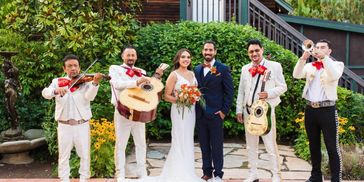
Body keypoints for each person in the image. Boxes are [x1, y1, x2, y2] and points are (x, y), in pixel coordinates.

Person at [136, 48, 204, 182]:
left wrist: (195, 96)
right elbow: (166, 96)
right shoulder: (174, 74)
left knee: (188, 138)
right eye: (183, 57)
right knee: (179, 138)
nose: (186, 59)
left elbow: (195, 91)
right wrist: (181, 100)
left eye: (188, 57)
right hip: (179, 111)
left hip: (191, 112)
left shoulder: (192, 73)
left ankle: (188, 171)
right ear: (178, 59)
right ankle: (178, 173)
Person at [42, 54, 102, 182]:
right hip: (64, 126)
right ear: (64, 69)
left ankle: (84, 179)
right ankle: (64, 179)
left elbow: (90, 97)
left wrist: (95, 83)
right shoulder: (57, 81)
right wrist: (56, 91)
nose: (73, 68)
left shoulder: (86, 82)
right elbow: (45, 93)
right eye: (70, 66)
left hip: (82, 125)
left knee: (85, 155)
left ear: (79, 68)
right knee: (64, 156)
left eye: (75, 66)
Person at [109, 46, 164, 182]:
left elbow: (146, 91)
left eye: (133, 55)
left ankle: (142, 173)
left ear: (136, 57)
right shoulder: (115, 68)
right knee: (121, 144)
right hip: (123, 112)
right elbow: (116, 84)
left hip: (139, 112)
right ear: (123, 56)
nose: (130, 58)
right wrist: (136, 82)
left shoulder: (141, 72)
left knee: (141, 144)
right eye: (128, 55)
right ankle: (120, 175)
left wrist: (156, 80)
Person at [236, 39, 287, 182]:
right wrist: (239, 110)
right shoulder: (245, 68)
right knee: (251, 145)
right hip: (248, 112)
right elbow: (241, 91)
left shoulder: (274, 66)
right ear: (248, 53)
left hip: (266, 112)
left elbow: (283, 86)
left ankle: (276, 175)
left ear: (262, 50)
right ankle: (253, 174)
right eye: (251, 51)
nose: (254, 53)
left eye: (256, 50)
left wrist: (269, 93)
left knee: (270, 145)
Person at [293, 39, 343, 182]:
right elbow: (296, 75)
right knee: (313, 146)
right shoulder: (309, 66)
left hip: (327, 110)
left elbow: (333, 75)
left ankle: (336, 179)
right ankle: (315, 177)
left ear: (329, 51)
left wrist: (323, 58)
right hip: (310, 110)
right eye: (317, 47)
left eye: (323, 47)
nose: (319, 49)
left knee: (332, 147)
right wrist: (303, 58)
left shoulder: (337, 65)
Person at [194, 40, 234, 182]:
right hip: (200, 114)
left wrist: (224, 111)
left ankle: (218, 174)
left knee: (216, 146)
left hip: (216, 114)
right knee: (204, 145)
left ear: (215, 52)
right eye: (206, 50)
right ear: (202, 51)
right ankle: (207, 172)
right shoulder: (197, 69)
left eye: (210, 50)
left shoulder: (222, 68)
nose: (208, 52)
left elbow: (229, 92)